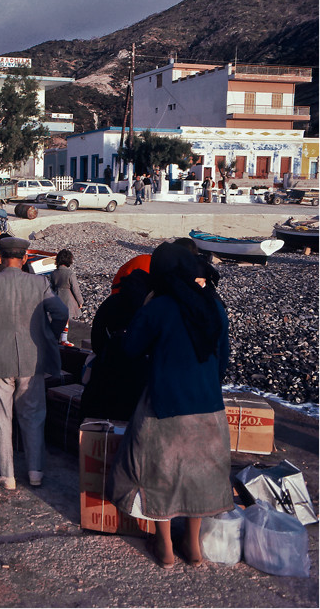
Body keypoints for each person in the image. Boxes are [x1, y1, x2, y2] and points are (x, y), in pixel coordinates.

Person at [107, 242, 232, 569]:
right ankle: (192, 547)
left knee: (158, 476)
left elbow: (132, 348)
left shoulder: (158, 307)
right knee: (198, 476)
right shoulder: (214, 305)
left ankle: (164, 548)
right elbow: (223, 360)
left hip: (164, 406)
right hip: (209, 407)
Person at [0, 236, 68, 489]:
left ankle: (7, 475)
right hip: (32, 360)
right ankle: (35, 471)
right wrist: (48, 335)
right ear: (25, 257)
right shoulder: (39, 283)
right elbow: (61, 312)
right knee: (33, 416)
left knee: (0, 416)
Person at [80, 266, 153, 422]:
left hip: (106, 369)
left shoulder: (111, 302)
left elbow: (96, 340)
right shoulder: (147, 308)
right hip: (136, 375)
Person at [50, 249, 84, 346]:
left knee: (57, 320)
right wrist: (80, 301)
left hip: (56, 297)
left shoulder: (54, 273)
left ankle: (56, 338)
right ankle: (64, 340)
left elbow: (51, 287)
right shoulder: (70, 273)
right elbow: (75, 289)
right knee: (66, 320)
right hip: (68, 298)